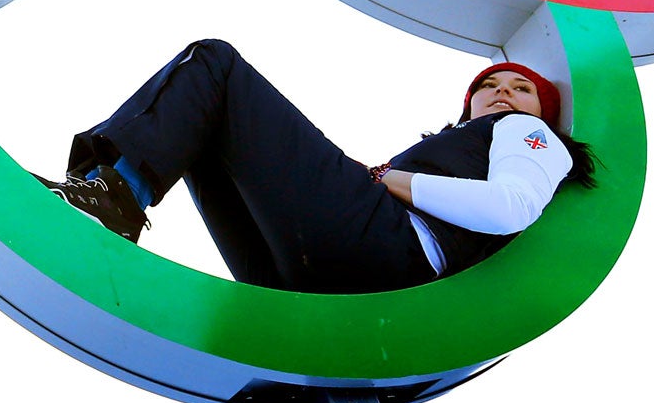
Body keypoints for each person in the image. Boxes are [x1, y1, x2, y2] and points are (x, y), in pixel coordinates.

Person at [39, 39, 593, 294]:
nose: (503, 93)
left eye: (522, 88)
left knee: (215, 65)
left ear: (543, 108)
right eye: (490, 86)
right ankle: (104, 196)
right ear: (467, 105)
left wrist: (391, 179)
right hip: (308, 277)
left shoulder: (528, 133)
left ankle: (109, 199)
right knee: (207, 128)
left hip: (391, 250)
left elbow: (512, 207)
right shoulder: (462, 140)